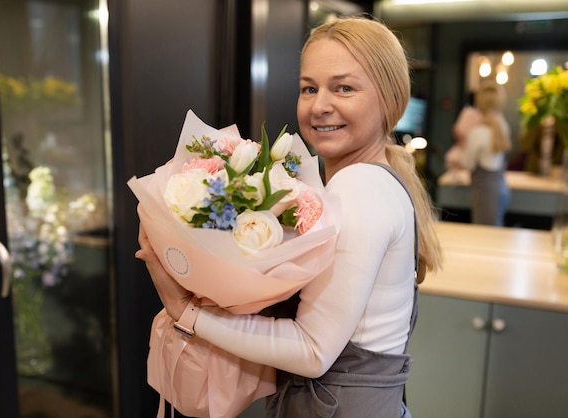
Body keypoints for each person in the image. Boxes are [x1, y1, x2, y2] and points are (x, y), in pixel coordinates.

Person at [136, 16, 442, 418]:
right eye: (309, 88)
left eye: (344, 88)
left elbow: (312, 351)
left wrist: (188, 313)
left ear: (389, 98)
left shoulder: (360, 189)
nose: (320, 105)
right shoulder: (371, 180)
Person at [457, 82, 512, 226]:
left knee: (484, 235)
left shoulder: (477, 133)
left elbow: (467, 163)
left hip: (484, 193)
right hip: (501, 188)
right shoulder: (503, 127)